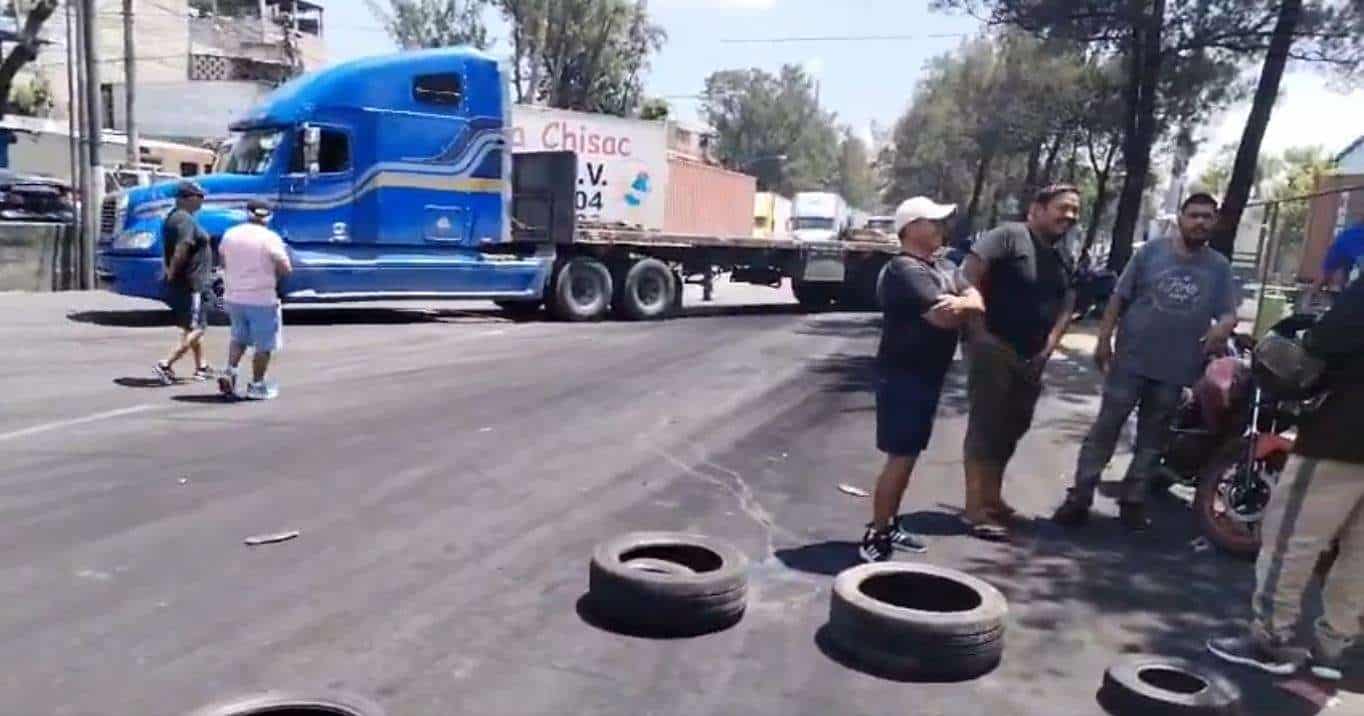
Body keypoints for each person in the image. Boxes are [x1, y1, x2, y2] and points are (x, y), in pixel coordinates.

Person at [1207, 275, 1364, 682]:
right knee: (1360, 555)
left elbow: (1324, 341)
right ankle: (1334, 648)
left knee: (1291, 538)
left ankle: (1269, 638)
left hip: (1342, 434)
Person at [1053, 193, 1237, 531]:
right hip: (1131, 359)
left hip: (1177, 367)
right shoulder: (1151, 253)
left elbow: (1228, 312)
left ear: (1215, 223)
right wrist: (1104, 340)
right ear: (1180, 218)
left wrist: (1223, 327)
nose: (1200, 222)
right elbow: (1118, 297)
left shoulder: (1219, 267)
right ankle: (1079, 496)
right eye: (1194, 215)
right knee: (1106, 428)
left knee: (1153, 438)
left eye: (1207, 217)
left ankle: (1133, 499)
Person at [859, 197, 985, 563]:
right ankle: (876, 533)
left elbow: (974, 296)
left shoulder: (941, 266)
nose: (942, 227)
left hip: (927, 376)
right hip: (903, 376)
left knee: (909, 455)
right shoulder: (904, 270)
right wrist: (964, 304)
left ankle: (890, 522)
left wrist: (965, 302)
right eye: (934, 221)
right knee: (900, 457)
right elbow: (943, 318)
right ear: (911, 227)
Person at [957, 184, 1080, 540]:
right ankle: (974, 509)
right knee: (986, 426)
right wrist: (978, 332)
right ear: (1036, 210)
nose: (1069, 216)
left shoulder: (1062, 255)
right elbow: (966, 276)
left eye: (1075, 210)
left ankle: (992, 498)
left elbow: (1067, 303)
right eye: (1062, 207)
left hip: (1033, 356)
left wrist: (1049, 346)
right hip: (994, 347)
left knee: (1013, 427)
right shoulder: (1008, 237)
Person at [216, 199, 292, 400]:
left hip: (233, 296)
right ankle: (257, 385)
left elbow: (222, 260)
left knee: (238, 338)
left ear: (247, 213)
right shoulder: (270, 238)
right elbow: (285, 267)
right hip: (262, 298)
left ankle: (230, 371)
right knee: (264, 345)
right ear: (268, 216)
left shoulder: (230, 234)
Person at [154, 180, 214, 385]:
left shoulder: (179, 218)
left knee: (192, 325)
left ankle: (201, 367)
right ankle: (166, 363)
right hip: (194, 282)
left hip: (191, 280)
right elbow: (182, 247)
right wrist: (171, 272)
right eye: (200, 197)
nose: (202, 201)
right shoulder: (183, 220)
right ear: (187, 198)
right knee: (199, 327)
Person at [1302, 219, 1364, 308]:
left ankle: (1310, 298)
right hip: (1349, 248)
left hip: (1342, 247)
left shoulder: (1348, 235)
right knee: (1334, 272)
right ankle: (1311, 297)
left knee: (1330, 272)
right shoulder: (1354, 237)